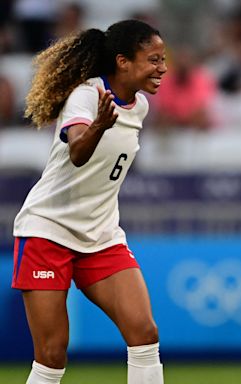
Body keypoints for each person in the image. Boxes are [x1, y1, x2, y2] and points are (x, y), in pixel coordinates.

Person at [11, 20, 167, 384]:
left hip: (101, 236)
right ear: (123, 61)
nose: (162, 68)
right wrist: (99, 125)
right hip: (47, 232)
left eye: (163, 59)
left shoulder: (139, 106)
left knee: (145, 334)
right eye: (154, 59)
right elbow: (79, 152)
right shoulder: (86, 95)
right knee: (51, 356)